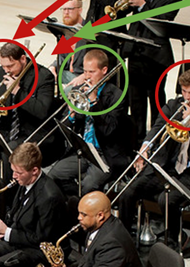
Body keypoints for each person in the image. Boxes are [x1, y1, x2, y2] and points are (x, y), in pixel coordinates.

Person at [117, 68, 190, 242]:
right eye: (184, 91)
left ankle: (175, 239)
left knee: (166, 200)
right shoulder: (174, 105)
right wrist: (145, 147)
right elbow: (157, 127)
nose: (187, 97)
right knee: (127, 192)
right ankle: (122, 239)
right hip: (167, 167)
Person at [47, 48, 130, 196]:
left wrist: (94, 101)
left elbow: (108, 130)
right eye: (85, 71)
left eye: (91, 72)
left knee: (88, 186)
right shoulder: (79, 89)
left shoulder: (116, 96)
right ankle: (75, 203)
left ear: (104, 70)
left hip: (104, 154)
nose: (87, 76)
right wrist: (71, 115)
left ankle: (85, 207)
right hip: (84, 149)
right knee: (53, 176)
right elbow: (64, 127)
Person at [0, 43, 57, 176]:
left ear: (23, 59)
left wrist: (17, 91)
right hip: (6, 129)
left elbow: (41, 111)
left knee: (10, 150)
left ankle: (8, 193)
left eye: (10, 66)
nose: (6, 70)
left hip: (31, 132)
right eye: (3, 65)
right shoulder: (1, 72)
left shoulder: (43, 77)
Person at [123, 0, 182, 143]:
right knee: (136, 103)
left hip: (156, 58)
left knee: (156, 102)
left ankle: (157, 141)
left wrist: (141, 4)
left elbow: (159, 23)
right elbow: (121, 13)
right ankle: (137, 142)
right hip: (135, 53)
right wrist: (125, 0)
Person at [50, 0, 86, 86]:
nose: (66, 12)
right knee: (43, 77)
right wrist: (52, 67)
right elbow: (62, 58)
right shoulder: (65, 31)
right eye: (64, 9)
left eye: (70, 9)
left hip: (84, 78)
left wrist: (85, 76)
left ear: (79, 10)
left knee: (68, 92)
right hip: (68, 75)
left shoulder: (91, 31)